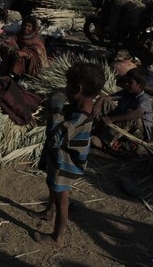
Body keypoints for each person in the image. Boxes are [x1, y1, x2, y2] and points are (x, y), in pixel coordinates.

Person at [35, 62, 106, 247]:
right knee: (51, 184)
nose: (65, 89)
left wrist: (56, 106)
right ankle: (50, 212)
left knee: (62, 197)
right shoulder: (81, 110)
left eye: (68, 85)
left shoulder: (79, 119)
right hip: (59, 159)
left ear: (79, 89)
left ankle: (57, 237)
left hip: (65, 162)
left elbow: (55, 138)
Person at [91, 67, 153, 154]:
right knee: (106, 102)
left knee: (131, 113)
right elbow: (105, 98)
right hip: (121, 127)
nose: (127, 84)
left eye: (130, 82)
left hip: (137, 134)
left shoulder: (144, 100)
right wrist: (95, 111)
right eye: (126, 81)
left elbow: (137, 114)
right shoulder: (126, 93)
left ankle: (104, 140)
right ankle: (96, 128)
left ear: (140, 85)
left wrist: (112, 119)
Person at [0, 14, 48, 79]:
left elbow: (39, 56)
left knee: (22, 52)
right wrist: (6, 44)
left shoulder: (37, 41)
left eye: (29, 26)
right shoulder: (19, 35)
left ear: (33, 28)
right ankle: (5, 72)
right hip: (16, 58)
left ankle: (15, 75)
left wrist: (26, 54)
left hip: (30, 66)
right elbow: (11, 40)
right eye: (25, 25)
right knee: (9, 50)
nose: (26, 28)